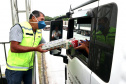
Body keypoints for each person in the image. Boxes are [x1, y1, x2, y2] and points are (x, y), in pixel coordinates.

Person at [5, 10, 49, 84]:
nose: (43, 22)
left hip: (29, 68)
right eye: (41, 19)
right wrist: (35, 48)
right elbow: (14, 48)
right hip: (15, 69)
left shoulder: (38, 31)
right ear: (33, 18)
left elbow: (45, 45)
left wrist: (60, 44)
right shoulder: (19, 28)